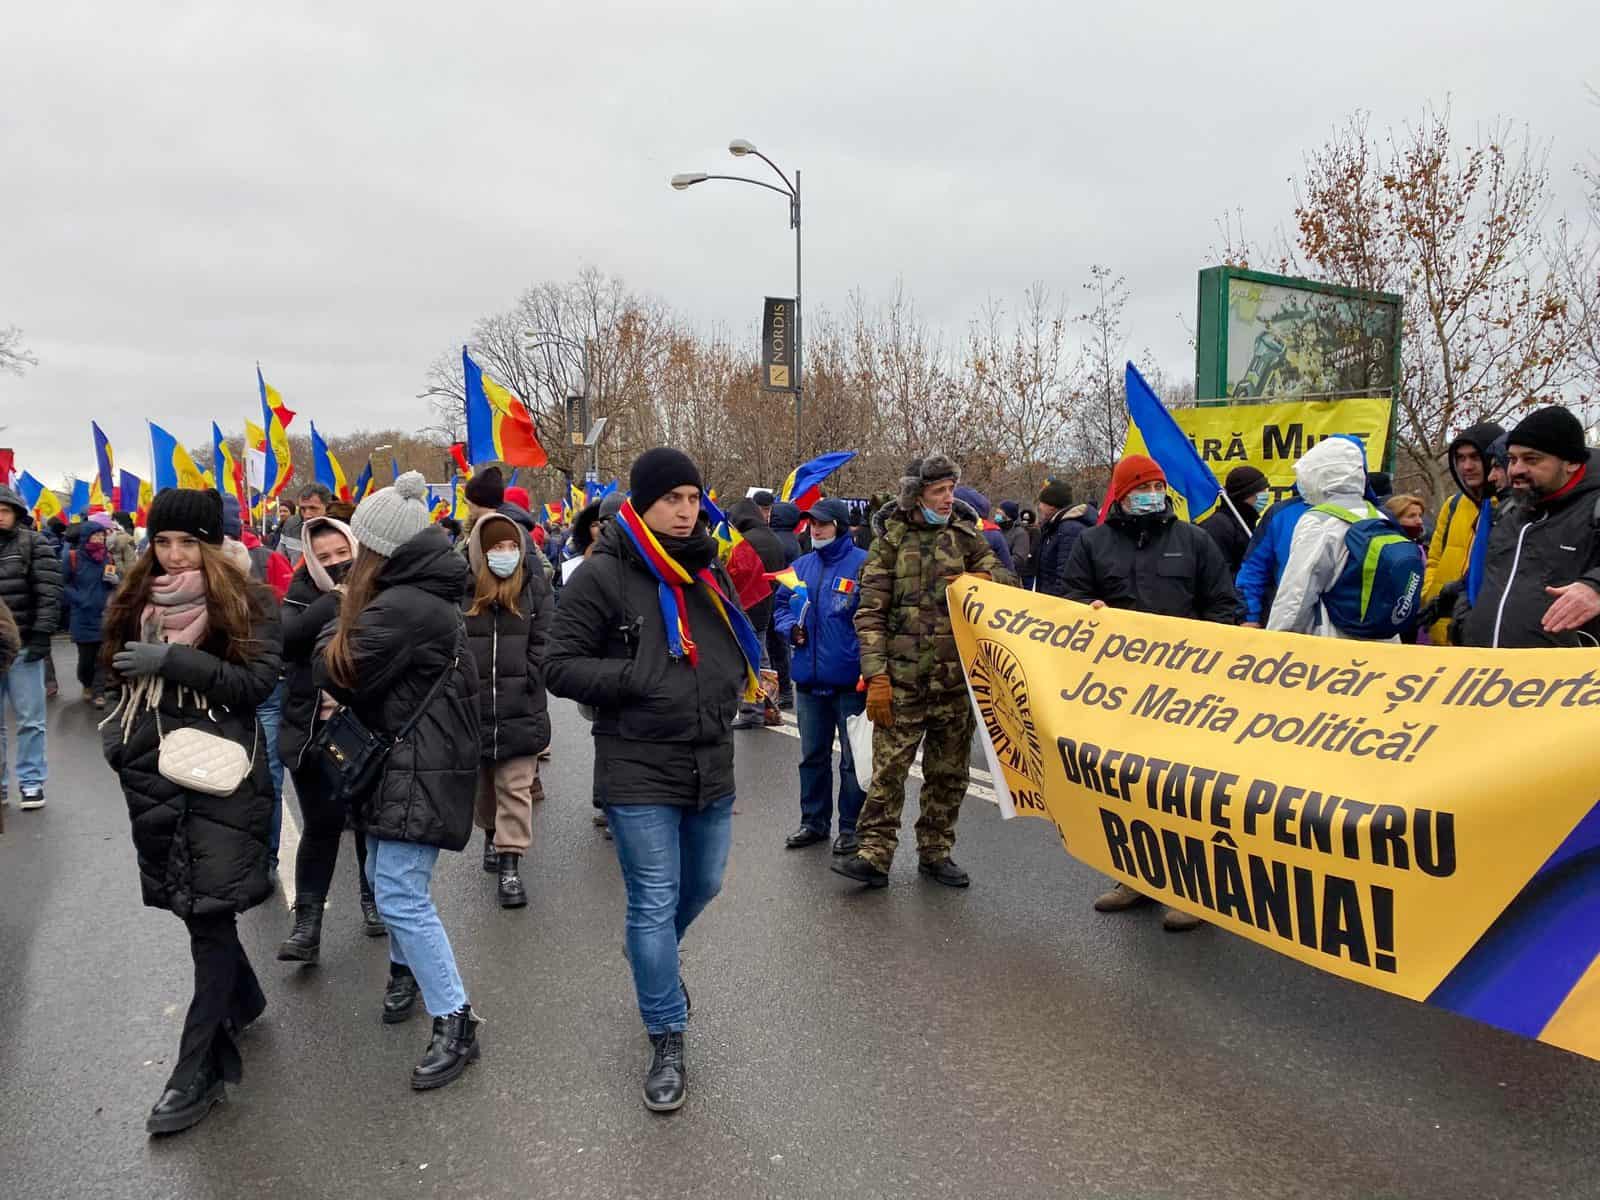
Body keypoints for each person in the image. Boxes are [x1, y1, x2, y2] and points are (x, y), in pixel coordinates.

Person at [546, 447, 760, 1113]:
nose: (686, 511)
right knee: (652, 900)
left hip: (709, 758)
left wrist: (740, 679)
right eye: (673, 499)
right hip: (636, 763)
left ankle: (652, 959)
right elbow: (559, 665)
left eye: (694, 498)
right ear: (642, 503)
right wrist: (638, 677)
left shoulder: (706, 568)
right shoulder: (601, 576)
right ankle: (667, 1033)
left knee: (705, 884)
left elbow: (725, 644)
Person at [99, 487, 281, 1135]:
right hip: (152, 776)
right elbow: (110, 673)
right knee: (193, 905)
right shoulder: (134, 599)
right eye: (162, 542)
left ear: (210, 544)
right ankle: (246, 997)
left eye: (187, 543)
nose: (173, 556)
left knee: (208, 915)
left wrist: (176, 660)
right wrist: (116, 735)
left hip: (217, 774)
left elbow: (256, 685)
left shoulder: (248, 600)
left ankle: (197, 1071)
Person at [315, 473, 484, 1090]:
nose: (350, 557)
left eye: (358, 545)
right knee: (387, 881)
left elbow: (338, 671)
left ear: (380, 549)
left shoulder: (402, 604)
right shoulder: (417, 595)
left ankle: (456, 1019)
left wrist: (330, 625)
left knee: (400, 894)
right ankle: (403, 973)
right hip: (410, 760)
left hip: (417, 764)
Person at [1062, 455, 1237, 932]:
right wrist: (1087, 612)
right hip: (1119, 693)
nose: (1153, 494)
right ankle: (1135, 878)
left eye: (1159, 486)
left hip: (1185, 694)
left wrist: (1194, 647)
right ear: (1121, 494)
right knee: (1129, 787)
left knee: (1185, 792)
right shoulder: (1093, 543)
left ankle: (1195, 892)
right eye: (1144, 487)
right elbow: (1068, 602)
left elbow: (1226, 607)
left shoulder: (1194, 541)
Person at [833, 454, 1002, 891]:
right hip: (902, 683)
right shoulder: (890, 539)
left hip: (953, 684)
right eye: (938, 491)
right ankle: (873, 855)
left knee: (949, 774)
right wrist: (878, 677)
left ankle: (936, 852)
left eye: (951, 489)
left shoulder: (966, 536)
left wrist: (991, 579)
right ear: (917, 494)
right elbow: (869, 613)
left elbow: (1006, 587)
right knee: (888, 772)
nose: (947, 499)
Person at [276, 515, 384, 963]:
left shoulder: (380, 589)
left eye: (343, 554)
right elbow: (286, 640)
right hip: (311, 732)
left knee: (367, 823)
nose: (337, 564)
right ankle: (307, 923)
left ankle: (372, 900)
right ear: (308, 560)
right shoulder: (299, 594)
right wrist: (334, 600)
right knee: (320, 827)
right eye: (324, 558)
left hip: (366, 728)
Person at [463, 511, 553, 908]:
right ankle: (489, 834)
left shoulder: (534, 585)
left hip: (522, 705)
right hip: (475, 708)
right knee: (484, 789)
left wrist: (532, 674)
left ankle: (510, 863)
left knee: (516, 787)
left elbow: (547, 636)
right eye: (497, 548)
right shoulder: (460, 589)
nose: (506, 554)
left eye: (512, 546)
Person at [772, 498, 871, 854]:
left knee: (850, 760)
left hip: (849, 683)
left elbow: (875, 620)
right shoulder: (800, 566)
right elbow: (781, 608)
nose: (815, 529)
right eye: (812, 523)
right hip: (810, 681)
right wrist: (790, 629)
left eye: (823, 524)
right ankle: (813, 822)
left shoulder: (863, 566)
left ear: (841, 526)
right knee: (812, 756)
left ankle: (850, 828)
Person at [1459, 406, 1600, 648]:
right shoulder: (1508, 513)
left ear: (1572, 463)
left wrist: (1596, 587)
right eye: (1512, 459)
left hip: (1571, 680)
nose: (1516, 470)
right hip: (1490, 676)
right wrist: (1462, 620)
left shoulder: (1594, 508)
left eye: (1531, 459)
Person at [1266, 438, 1422, 641]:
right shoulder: (1377, 515)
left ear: (1318, 475)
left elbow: (1297, 594)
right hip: (1384, 639)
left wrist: (1274, 641)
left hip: (1334, 641)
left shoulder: (1318, 522)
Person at [0, 484, 62, 810]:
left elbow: (49, 593)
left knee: (30, 721)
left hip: (23, 647)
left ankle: (32, 782)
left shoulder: (33, 543)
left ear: (15, 513)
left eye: (3, 510)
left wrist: (41, 635)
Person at [1421, 421, 1504, 644]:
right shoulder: (1453, 505)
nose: (1467, 466)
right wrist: (1431, 594)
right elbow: (1434, 560)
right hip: (1440, 630)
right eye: (1460, 458)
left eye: (1475, 457)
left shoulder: (1510, 509)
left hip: (1481, 634)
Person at [727, 498, 784, 729]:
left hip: (746, 604)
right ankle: (769, 708)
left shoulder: (745, 541)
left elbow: (735, 573)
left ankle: (752, 710)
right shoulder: (773, 538)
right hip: (767, 603)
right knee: (761, 657)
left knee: (748, 659)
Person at [63, 517, 120, 707]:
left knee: (103, 658)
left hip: (104, 615)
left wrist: (115, 581)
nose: (99, 539)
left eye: (102, 535)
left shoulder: (108, 557)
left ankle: (99, 693)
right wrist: (81, 600)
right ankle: (86, 683)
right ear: (86, 537)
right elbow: (63, 585)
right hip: (82, 616)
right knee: (86, 661)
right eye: (95, 535)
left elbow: (115, 584)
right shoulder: (72, 558)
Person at [766, 499, 803, 708]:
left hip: (773, 596)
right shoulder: (793, 540)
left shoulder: (777, 541)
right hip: (787, 597)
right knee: (780, 647)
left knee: (775, 648)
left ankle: (783, 692)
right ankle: (785, 690)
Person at [1199, 465, 1269, 575]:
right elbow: (1218, 574)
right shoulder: (1218, 526)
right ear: (1246, 494)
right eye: (1262, 491)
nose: (1266, 495)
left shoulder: (1247, 522)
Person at [1034, 479, 1094, 597]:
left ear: (1052, 506)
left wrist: (1054, 607)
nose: (1039, 507)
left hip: (1057, 605)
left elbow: (1066, 576)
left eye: (1042, 502)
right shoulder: (1053, 527)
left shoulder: (1070, 530)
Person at [998, 501, 1034, 587]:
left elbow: (1019, 559)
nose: (996, 515)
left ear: (1007, 516)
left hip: (1010, 580)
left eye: (999, 513)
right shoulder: (996, 529)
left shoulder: (1020, 533)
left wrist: (996, 562)